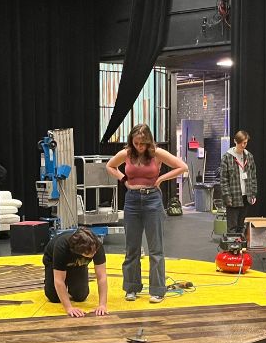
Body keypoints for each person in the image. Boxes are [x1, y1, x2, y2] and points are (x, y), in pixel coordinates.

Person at [106, 124, 188, 303]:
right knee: (132, 248)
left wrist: (161, 178)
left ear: (149, 141)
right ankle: (131, 287)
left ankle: (158, 290)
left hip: (152, 200)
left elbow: (182, 167)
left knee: (156, 249)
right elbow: (110, 166)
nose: (139, 146)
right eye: (136, 143)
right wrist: (124, 179)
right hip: (132, 200)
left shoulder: (157, 153)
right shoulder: (127, 153)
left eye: (143, 143)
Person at [43, 227, 108, 317]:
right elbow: (59, 280)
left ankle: (74, 277)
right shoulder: (62, 246)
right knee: (54, 297)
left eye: (94, 251)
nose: (94, 254)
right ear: (79, 252)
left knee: (80, 296)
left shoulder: (96, 246)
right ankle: (50, 280)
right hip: (53, 260)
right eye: (89, 253)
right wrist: (69, 308)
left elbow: (102, 277)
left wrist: (102, 305)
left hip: (77, 264)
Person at [218, 130, 258, 235]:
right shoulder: (227, 157)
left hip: (246, 196)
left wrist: (253, 192)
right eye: (241, 142)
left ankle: (240, 248)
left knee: (241, 225)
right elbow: (223, 180)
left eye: (245, 142)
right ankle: (231, 248)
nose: (243, 145)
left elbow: (253, 176)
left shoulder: (249, 156)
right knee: (232, 227)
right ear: (235, 141)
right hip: (233, 196)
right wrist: (227, 196)